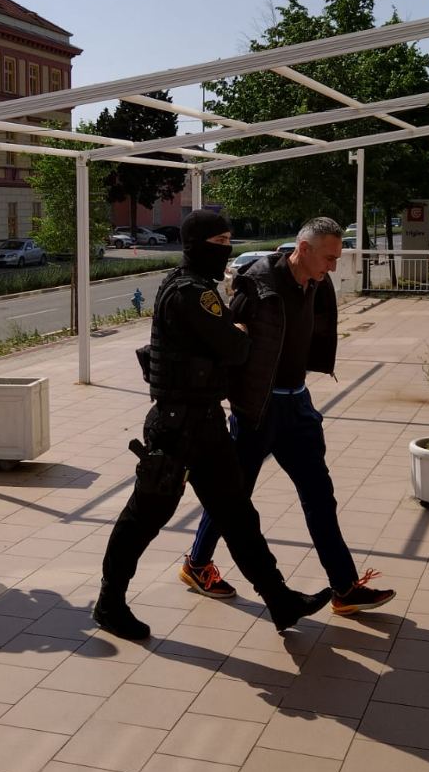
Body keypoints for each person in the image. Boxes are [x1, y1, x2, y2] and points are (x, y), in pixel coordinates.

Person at [94, 208, 332, 643]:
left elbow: (229, 343)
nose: (226, 249)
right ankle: (110, 603)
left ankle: (279, 599)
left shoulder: (196, 287)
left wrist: (232, 330)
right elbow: (238, 348)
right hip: (175, 427)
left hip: (205, 422)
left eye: (228, 241)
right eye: (219, 243)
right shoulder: (190, 292)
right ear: (195, 245)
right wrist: (235, 331)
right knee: (145, 517)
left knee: (238, 515)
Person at [180, 216, 396, 616]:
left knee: (320, 497)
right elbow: (227, 342)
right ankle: (197, 564)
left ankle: (344, 588)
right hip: (258, 410)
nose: (334, 266)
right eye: (329, 257)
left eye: (337, 258)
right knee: (233, 497)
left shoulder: (317, 282)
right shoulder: (258, 284)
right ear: (304, 248)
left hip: (298, 406)